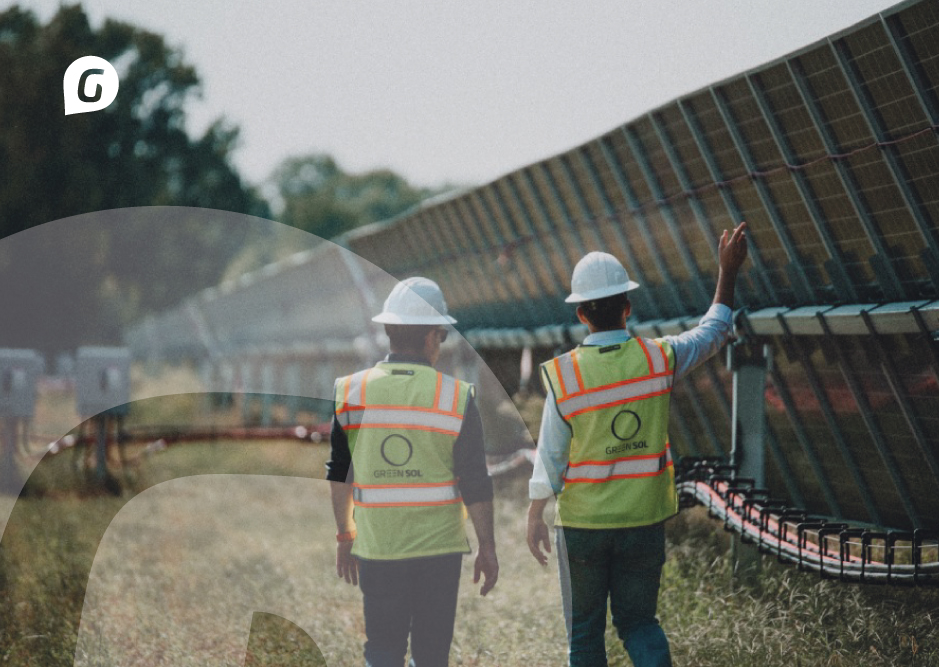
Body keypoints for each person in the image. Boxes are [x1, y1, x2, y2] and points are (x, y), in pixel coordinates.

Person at [526, 222, 749, 667]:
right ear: (628, 308)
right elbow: (713, 331)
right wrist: (728, 273)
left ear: (580, 315)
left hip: (583, 527)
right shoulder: (658, 358)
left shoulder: (565, 375)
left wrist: (535, 512)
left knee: (585, 633)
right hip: (643, 520)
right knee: (640, 624)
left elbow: (550, 455)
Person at [327, 276, 498, 667]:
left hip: (378, 547)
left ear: (389, 331)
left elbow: (340, 473)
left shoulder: (352, 391)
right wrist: (486, 546)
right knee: (431, 655)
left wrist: (344, 536)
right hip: (439, 551)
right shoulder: (456, 397)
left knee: (383, 651)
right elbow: (476, 480)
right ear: (432, 337)